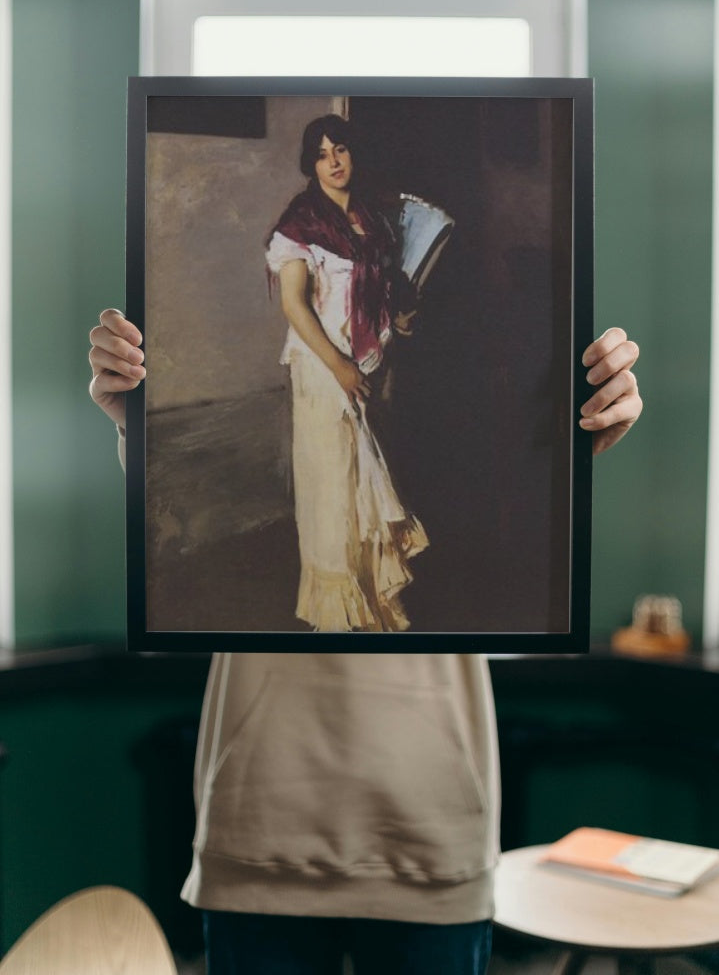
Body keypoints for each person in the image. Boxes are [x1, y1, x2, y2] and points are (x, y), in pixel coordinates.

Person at [90, 302, 641, 974]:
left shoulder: (454, 446)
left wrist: (561, 463)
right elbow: (196, 533)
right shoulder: (263, 449)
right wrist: (140, 424)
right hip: (262, 821)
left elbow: (504, 554)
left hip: (431, 825)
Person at [264, 114, 428, 633]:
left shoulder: (373, 221)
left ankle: (372, 607)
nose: (333, 162)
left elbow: (383, 300)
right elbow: (294, 304)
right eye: (321, 153)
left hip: (368, 371)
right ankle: (335, 621)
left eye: (341, 150)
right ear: (310, 164)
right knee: (332, 494)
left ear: (354, 155)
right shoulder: (299, 225)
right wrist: (338, 367)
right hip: (322, 373)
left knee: (364, 492)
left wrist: (402, 316)